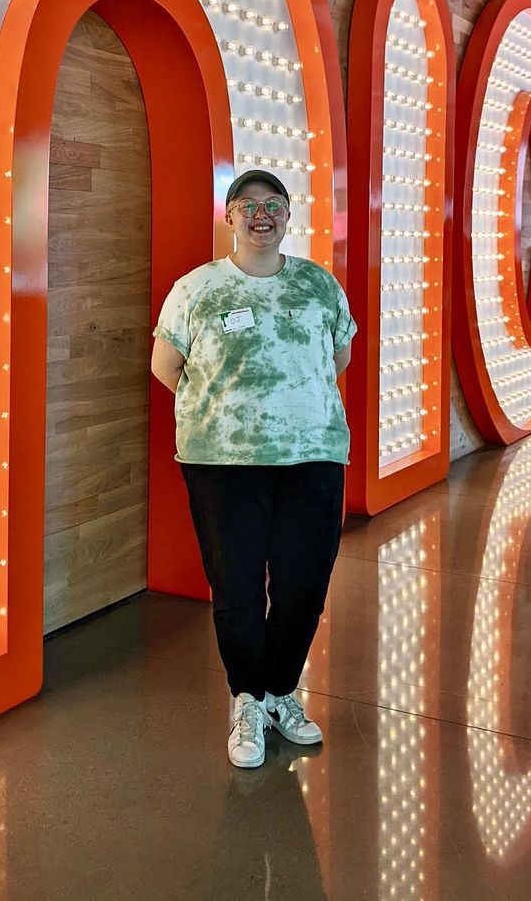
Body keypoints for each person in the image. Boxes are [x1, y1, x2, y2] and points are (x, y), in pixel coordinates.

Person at [150, 171, 356, 769]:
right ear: (230, 217)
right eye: (248, 205)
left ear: (288, 216)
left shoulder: (318, 285)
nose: (261, 215)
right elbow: (166, 365)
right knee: (236, 585)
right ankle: (246, 697)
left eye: (273, 205)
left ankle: (279, 693)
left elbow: (338, 356)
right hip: (223, 462)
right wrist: (225, 411)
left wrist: (292, 408)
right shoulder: (197, 289)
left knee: (303, 586)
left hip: (313, 457)